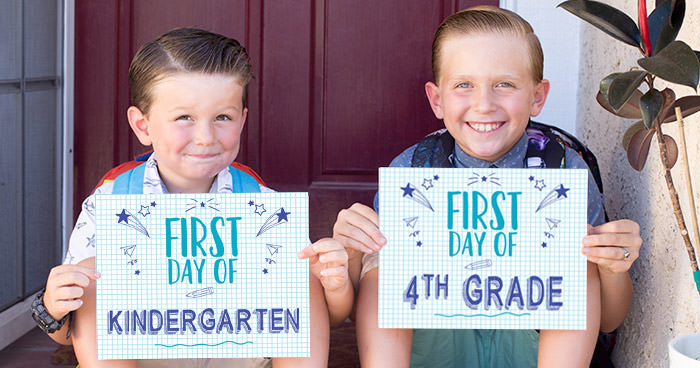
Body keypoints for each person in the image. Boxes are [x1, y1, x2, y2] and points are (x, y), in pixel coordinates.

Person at [331, 6, 641, 367]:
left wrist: (613, 267)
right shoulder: (415, 170)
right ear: (437, 99)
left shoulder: (564, 169)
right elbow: (364, 299)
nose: (483, 104)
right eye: (464, 85)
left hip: (532, 346)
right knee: (383, 267)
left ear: (537, 97)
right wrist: (352, 254)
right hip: (439, 345)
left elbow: (609, 319)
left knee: (577, 260)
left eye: (504, 84)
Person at [36, 28, 351, 368]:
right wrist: (53, 307)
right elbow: (67, 328)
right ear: (143, 126)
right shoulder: (113, 199)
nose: (205, 137)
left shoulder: (259, 202)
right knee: (92, 276)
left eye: (222, 118)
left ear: (242, 121)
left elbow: (328, 316)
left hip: (235, 350)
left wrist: (334, 285)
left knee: (300, 275)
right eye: (184, 117)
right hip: (146, 354)